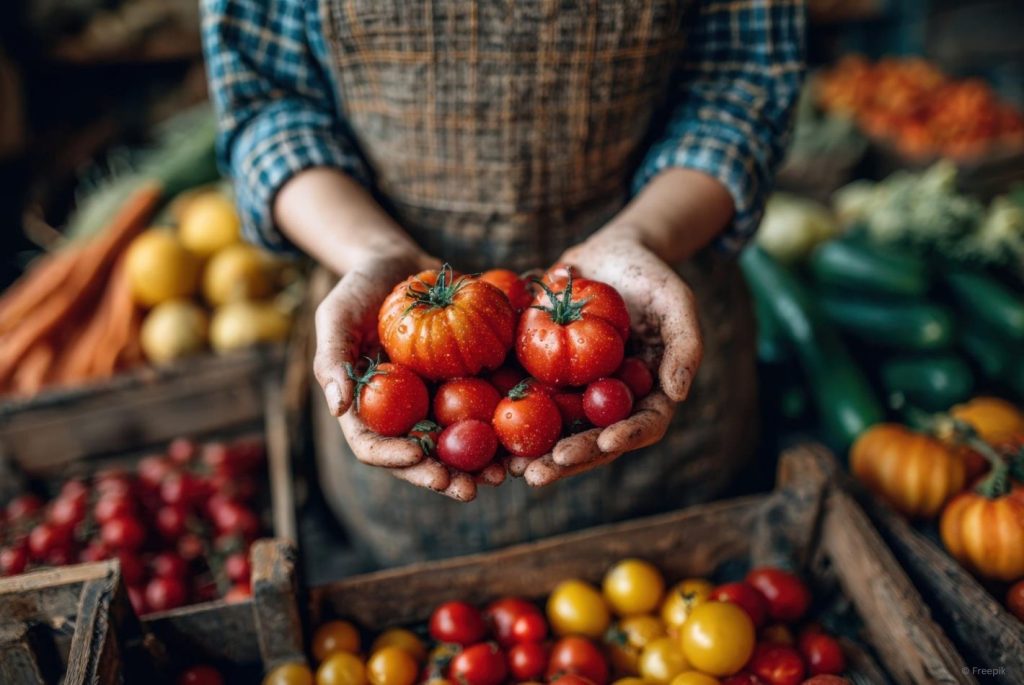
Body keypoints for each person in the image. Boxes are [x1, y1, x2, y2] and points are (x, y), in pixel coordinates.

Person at [202, 0, 805, 566]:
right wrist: (373, 251)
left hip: (658, 344)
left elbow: (741, 87)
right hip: (403, 438)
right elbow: (267, 106)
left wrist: (643, 237)